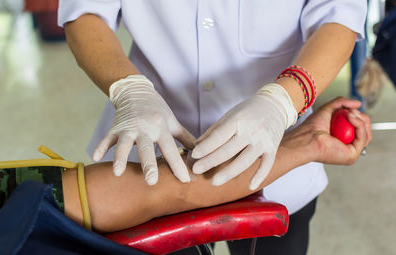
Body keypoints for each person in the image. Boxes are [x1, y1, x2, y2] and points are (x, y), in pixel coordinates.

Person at [58, 1, 367, 253]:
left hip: (277, 152)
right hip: (149, 149)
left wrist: (282, 101)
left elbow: (339, 15)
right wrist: (129, 89)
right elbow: (84, 11)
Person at [0, 98, 372, 234]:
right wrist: (307, 142)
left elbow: (171, 184)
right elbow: (174, 185)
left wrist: (293, 118)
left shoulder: (10, 194)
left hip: (283, 163)